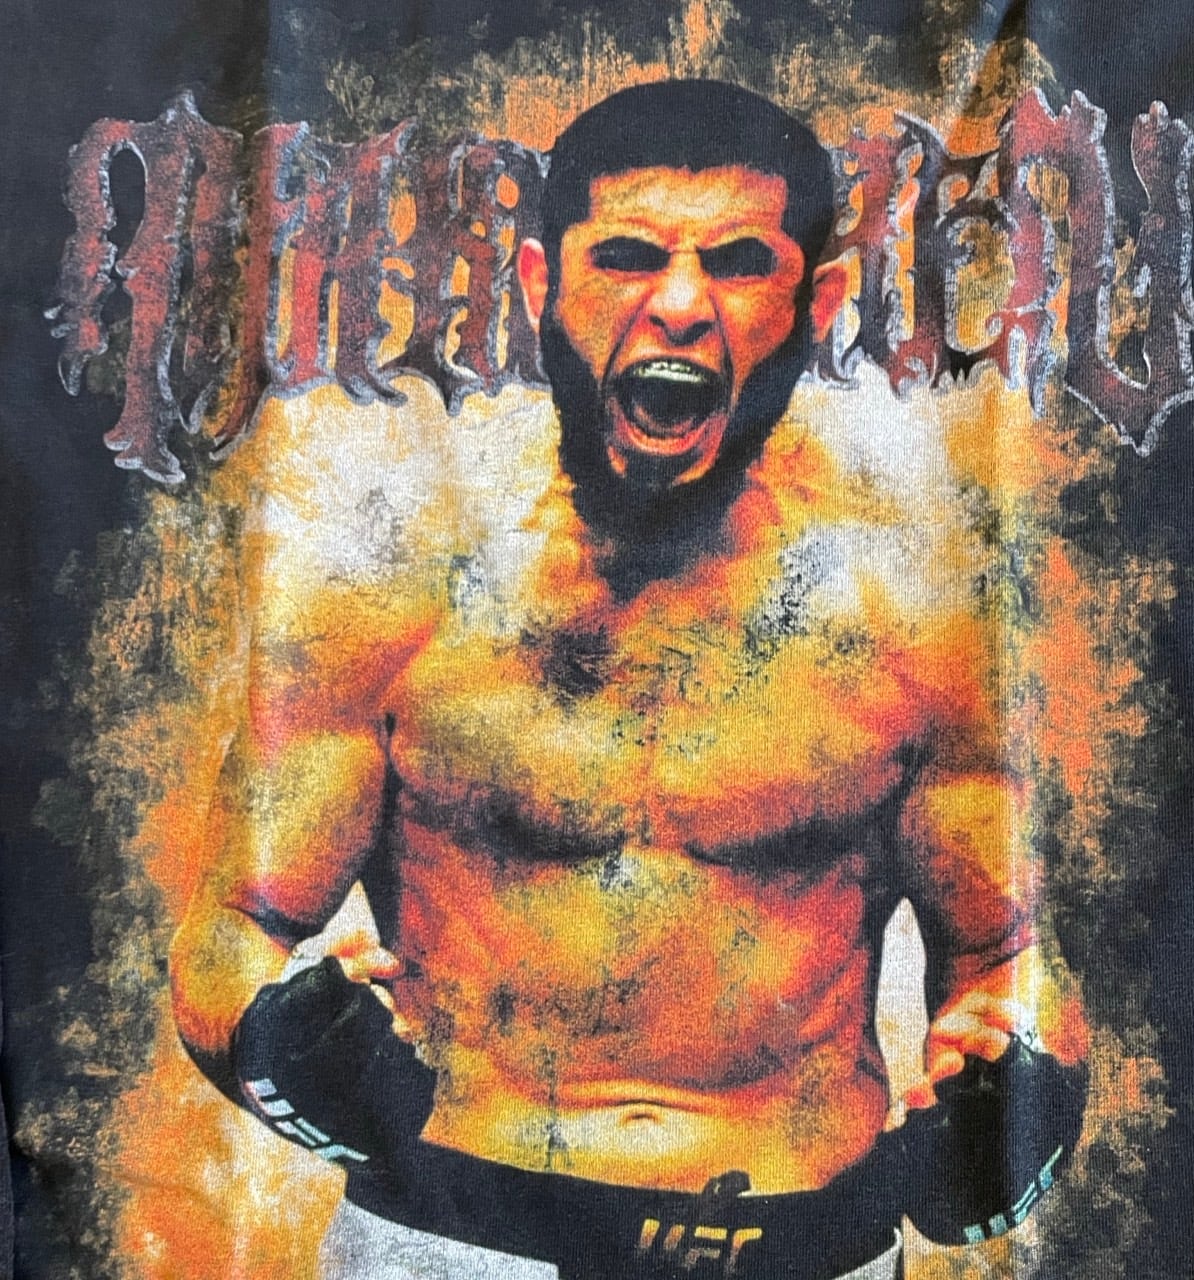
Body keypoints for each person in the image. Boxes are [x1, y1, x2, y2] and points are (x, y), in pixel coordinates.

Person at [169, 79, 1089, 1280]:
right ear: (540, 284)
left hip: (808, 1245)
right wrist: (273, 1033)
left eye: (739, 264)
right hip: (454, 1238)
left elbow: (1005, 954)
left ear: (812, 305)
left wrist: (1020, 1077)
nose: (680, 306)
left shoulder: (913, 622)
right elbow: (231, 927)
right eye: (626, 257)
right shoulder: (390, 593)